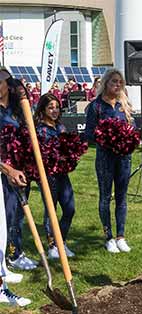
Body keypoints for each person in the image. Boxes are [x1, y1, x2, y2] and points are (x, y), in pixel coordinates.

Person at [85, 68, 133, 253]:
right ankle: (109, 237)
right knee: (105, 197)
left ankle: (121, 236)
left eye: (120, 82)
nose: (117, 84)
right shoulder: (96, 106)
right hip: (105, 157)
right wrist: (105, 137)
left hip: (124, 158)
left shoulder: (124, 104)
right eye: (114, 81)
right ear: (106, 83)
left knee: (121, 197)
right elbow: (89, 134)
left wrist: (127, 138)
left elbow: (132, 126)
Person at [0, 68, 34, 306]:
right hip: (5, 172)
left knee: (4, 227)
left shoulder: (14, 108)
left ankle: (2, 274)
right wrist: (9, 170)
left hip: (11, 171)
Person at [34, 93, 77, 259]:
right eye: (50, 107)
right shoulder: (39, 130)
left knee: (69, 208)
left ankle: (61, 242)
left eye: (57, 107)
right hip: (47, 176)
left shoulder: (61, 127)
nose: (54, 110)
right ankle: (52, 246)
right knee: (50, 210)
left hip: (62, 174)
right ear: (43, 109)